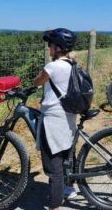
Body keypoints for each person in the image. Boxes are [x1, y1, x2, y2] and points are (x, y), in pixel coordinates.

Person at [34, 28, 79, 210]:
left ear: (58, 47)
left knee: (54, 164)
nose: (48, 48)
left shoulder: (52, 67)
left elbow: (38, 81)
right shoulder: (72, 64)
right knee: (67, 152)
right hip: (68, 116)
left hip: (53, 119)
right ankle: (69, 188)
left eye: (50, 44)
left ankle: (54, 205)